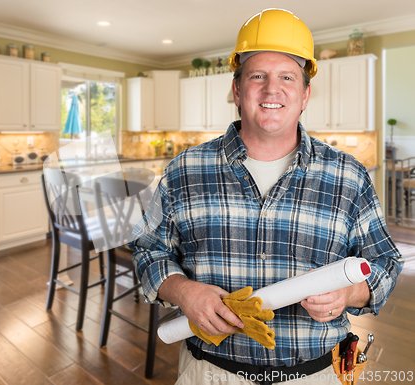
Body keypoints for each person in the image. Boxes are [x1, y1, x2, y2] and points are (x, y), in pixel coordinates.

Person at [130, 8, 403, 385]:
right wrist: (184, 291)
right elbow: (147, 250)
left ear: (305, 94)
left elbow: (386, 262)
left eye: (287, 77)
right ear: (237, 90)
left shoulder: (348, 176)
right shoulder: (185, 169)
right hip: (208, 372)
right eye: (258, 76)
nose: (272, 89)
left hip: (318, 374)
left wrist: (351, 291)